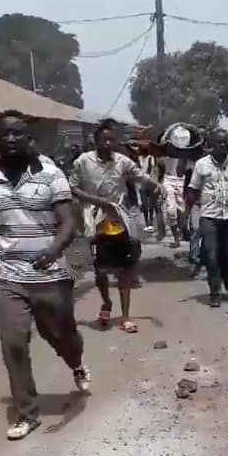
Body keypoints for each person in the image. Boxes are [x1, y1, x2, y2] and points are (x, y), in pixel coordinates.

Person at [0, 110, 90, 441]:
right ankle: (28, 413)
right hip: (10, 276)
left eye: (17, 133)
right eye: (5, 134)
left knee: (62, 336)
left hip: (51, 275)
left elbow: (69, 221)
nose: (11, 139)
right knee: (13, 343)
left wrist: (53, 250)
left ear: (29, 139)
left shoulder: (51, 175)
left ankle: (76, 363)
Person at [70, 121, 160, 333]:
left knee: (124, 272)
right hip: (95, 223)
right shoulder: (83, 162)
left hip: (119, 221)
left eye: (111, 140)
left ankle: (126, 316)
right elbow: (72, 187)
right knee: (100, 271)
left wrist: (157, 186)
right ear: (96, 142)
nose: (108, 144)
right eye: (104, 140)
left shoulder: (122, 161)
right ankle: (106, 302)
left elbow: (140, 176)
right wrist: (96, 201)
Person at [187, 129, 228, 308]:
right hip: (209, 216)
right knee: (211, 255)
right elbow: (193, 189)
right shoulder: (202, 164)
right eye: (219, 142)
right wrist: (186, 212)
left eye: (225, 142)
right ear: (212, 144)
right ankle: (215, 291)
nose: (223, 145)